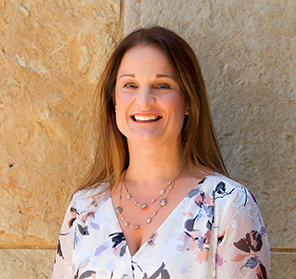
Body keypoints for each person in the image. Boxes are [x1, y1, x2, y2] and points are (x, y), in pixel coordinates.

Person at [51, 26, 270, 279]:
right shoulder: (83, 208)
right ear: (114, 101)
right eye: (130, 85)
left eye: (162, 85)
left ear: (188, 101)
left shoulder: (228, 204)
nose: (144, 100)